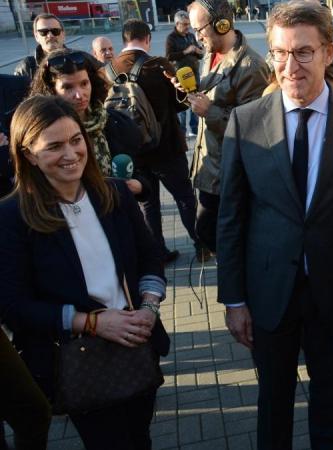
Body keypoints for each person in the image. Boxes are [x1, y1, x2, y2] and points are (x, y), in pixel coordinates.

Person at [216, 2, 333, 449]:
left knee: (329, 398)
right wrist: (234, 298)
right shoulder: (245, 121)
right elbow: (231, 216)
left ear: (329, 52)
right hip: (268, 292)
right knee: (273, 400)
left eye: (304, 52)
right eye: (280, 53)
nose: (290, 66)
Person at [0, 95, 169, 450]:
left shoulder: (114, 193)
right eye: (54, 146)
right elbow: (13, 306)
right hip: (75, 360)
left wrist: (148, 308)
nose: (71, 154)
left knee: (140, 438)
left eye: (76, 140)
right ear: (28, 154)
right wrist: (92, 322)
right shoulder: (12, 217)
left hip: (137, 343)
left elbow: (150, 257)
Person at [182, 0, 269, 254]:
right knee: (210, 234)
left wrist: (209, 111)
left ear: (222, 24)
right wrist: (192, 93)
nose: (197, 37)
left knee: (217, 236)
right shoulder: (209, 53)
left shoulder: (250, 66)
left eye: (200, 29)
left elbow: (254, 127)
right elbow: (214, 94)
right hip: (209, 167)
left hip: (229, 174)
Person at [112, 19, 202, 263]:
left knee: (149, 205)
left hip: (133, 152)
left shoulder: (108, 69)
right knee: (184, 198)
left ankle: (158, 252)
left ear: (123, 39)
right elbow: (180, 103)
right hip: (166, 148)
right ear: (148, 39)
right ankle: (200, 244)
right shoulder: (159, 65)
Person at [29, 49, 149, 201]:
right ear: (51, 90)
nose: (79, 95)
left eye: (84, 83)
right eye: (68, 87)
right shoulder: (40, 134)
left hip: (116, 212)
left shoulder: (115, 123)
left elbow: (139, 170)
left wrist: (139, 185)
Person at [165, 10, 204, 137]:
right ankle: (181, 132)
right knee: (182, 102)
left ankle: (194, 128)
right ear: (177, 24)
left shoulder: (191, 36)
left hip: (194, 73)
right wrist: (185, 51)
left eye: (189, 24)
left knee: (195, 99)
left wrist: (199, 51)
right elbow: (169, 57)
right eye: (185, 24)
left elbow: (199, 54)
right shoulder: (171, 38)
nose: (188, 27)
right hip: (180, 75)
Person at [14, 14, 66, 81]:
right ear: (36, 37)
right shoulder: (26, 67)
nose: (50, 35)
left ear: (63, 34)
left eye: (55, 31)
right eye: (43, 32)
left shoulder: (79, 59)